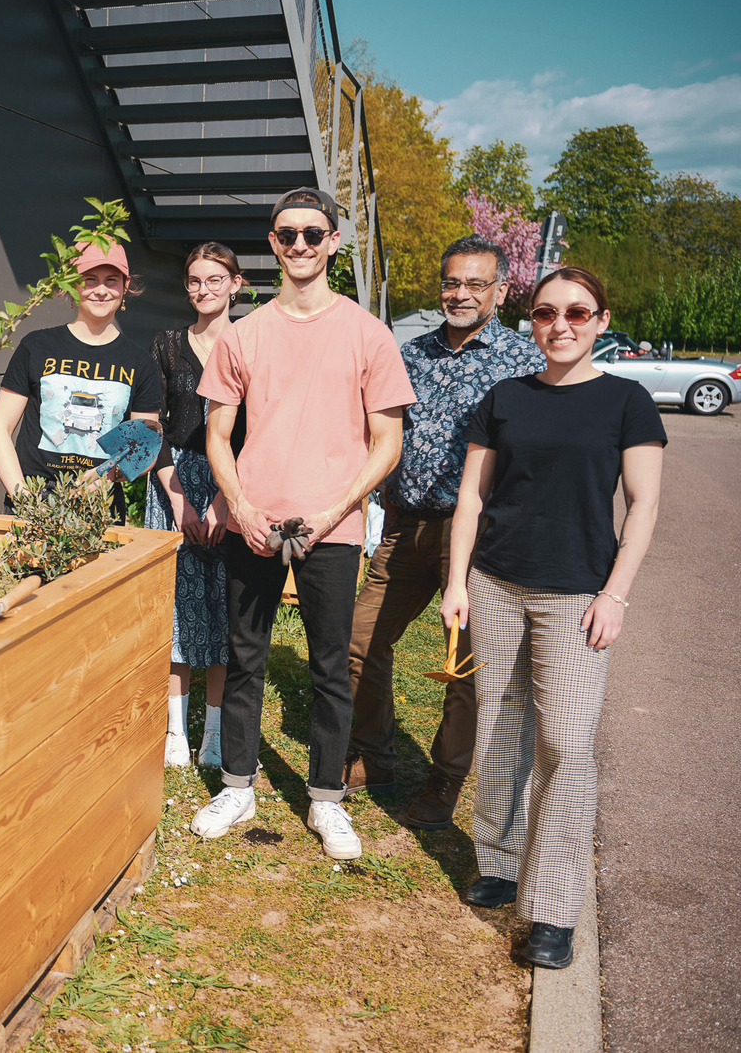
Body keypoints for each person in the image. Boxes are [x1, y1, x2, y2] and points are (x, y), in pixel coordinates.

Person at [442, 266, 664, 969]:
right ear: (530, 321)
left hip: (576, 594)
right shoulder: (505, 397)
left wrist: (616, 593)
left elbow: (645, 505)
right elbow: (472, 500)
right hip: (497, 584)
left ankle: (552, 909)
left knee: (567, 746)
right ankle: (501, 860)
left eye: (576, 312)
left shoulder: (628, 402)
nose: (559, 324)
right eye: (545, 313)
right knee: (502, 729)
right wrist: (457, 581)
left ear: (601, 320)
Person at [189, 188, 415, 861]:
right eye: (287, 234)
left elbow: (387, 442)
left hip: (331, 525)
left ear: (333, 242)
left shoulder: (367, 333)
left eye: (312, 234)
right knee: (244, 655)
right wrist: (243, 508)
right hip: (253, 523)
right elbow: (218, 434)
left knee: (327, 666)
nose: (299, 246)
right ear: (273, 243)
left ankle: (325, 800)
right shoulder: (244, 333)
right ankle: (237, 785)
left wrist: (333, 510)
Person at [343, 235, 546, 827]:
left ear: (502, 291)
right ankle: (375, 756)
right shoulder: (410, 352)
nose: (460, 294)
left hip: (482, 540)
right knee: (359, 643)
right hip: (407, 528)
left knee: (466, 667)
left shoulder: (524, 361)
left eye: (475, 284)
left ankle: (444, 780)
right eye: (452, 282)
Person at [145, 243, 241, 769]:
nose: (203, 290)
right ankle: (175, 730)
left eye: (214, 279)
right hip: (173, 479)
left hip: (237, 480)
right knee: (177, 609)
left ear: (235, 282)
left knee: (224, 608)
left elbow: (261, 427)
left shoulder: (252, 341)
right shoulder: (166, 344)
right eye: (194, 281)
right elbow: (149, 424)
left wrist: (227, 497)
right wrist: (179, 497)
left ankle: (215, 731)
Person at [0, 241, 162, 511]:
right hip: (33, 503)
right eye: (90, 280)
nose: (101, 290)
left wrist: (107, 476)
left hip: (101, 509)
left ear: (125, 287)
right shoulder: (36, 346)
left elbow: (144, 445)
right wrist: (26, 501)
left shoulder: (141, 364)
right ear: (71, 285)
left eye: (111, 280)